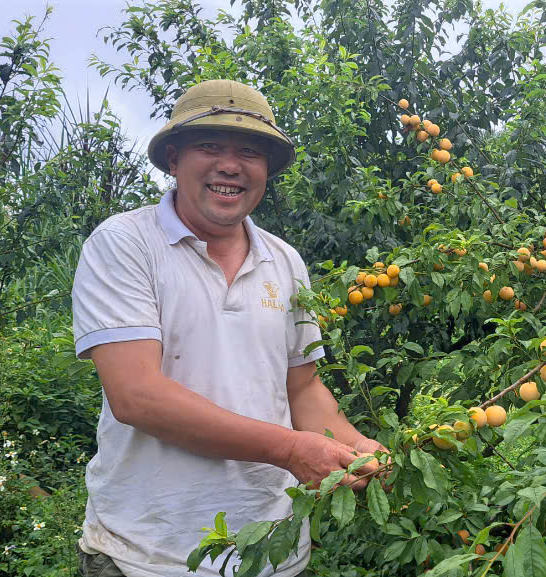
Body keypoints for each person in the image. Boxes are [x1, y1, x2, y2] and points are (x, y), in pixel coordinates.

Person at [70, 79, 385, 577]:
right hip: (148, 555)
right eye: (209, 145)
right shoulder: (124, 245)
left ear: (266, 171)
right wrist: (289, 449)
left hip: (273, 551)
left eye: (250, 151)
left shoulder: (285, 262)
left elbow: (302, 386)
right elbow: (137, 396)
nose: (230, 164)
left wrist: (354, 448)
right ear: (173, 159)